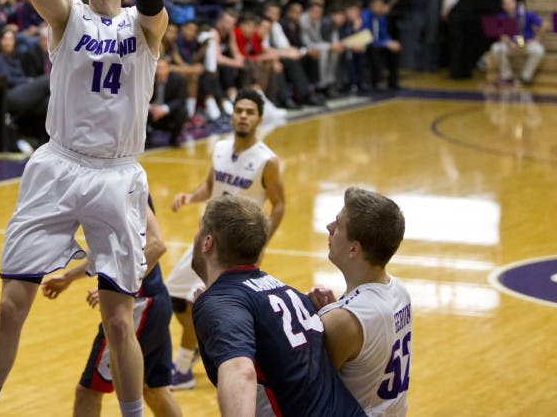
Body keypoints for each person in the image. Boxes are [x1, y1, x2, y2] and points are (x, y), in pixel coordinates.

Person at [0, 0, 167, 417]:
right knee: (11, 305)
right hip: (57, 165)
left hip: (116, 174)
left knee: (118, 319)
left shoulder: (146, 26)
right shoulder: (68, 17)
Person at [191, 195, 366, 416]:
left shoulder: (220, 302)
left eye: (198, 230)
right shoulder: (287, 292)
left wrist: (212, 307)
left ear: (207, 242)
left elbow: (240, 372)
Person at [162, 88, 285, 391]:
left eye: (249, 112)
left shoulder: (267, 160)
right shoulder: (219, 148)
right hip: (206, 238)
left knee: (201, 302)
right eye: (239, 110)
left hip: (235, 250)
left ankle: (182, 367)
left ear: (258, 118)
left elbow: (279, 203)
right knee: (173, 297)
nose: (243, 116)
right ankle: (193, 352)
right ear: (232, 114)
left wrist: (262, 243)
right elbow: (209, 186)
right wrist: (189, 197)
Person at [41, 201, 182, 417]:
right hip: (153, 302)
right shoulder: (114, 187)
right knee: (154, 390)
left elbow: (157, 245)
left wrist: (119, 283)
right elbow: (111, 253)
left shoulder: (125, 187)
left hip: (138, 307)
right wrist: (69, 277)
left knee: (88, 391)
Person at [308, 187, 411, 416]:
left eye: (337, 224)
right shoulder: (400, 292)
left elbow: (307, 394)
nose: (329, 228)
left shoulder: (343, 322)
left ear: (354, 248)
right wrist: (337, 308)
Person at [489, 0, 545, 85]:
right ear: (503, 6)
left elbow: (543, 24)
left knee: (539, 50)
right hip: (511, 45)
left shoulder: (525, 14)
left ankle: (525, 77)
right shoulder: (501, 17)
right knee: (496, 48)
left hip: (526, 44)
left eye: (510, 2)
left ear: (515, 2)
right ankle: (507, 76)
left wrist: (536, 39)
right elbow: (501, 34)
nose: (509, 5)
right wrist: (509, 43)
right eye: (506, 3)